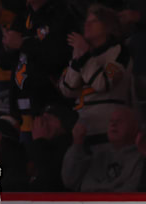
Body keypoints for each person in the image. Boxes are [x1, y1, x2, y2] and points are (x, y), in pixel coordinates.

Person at [0, 0, 78, 141]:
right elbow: (4, 62)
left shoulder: (62, 15)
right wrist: (8, 47)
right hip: (22, 112)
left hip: (50, 112)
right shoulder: (22, 18)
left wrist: (23, 44)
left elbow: (58, 57)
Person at [58, 4, 133, 149]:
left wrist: (84, 56)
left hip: (109, 131)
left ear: (108, 26)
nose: (87, 24)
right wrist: (80, 56)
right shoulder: (83, 52)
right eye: (86, 21)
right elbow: (67, 89)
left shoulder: (120, 51)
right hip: (81, 131)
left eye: (94, 21)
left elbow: (103, 83)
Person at [61, 106, 143, 192]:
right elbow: (69, 181)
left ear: (135, 128)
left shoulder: (140, 158)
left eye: (120, 121)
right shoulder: (98, 155)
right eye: (111, 121)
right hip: (86, 203)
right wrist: (77, 144)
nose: (113, 124)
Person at [25, 103, 78, 191]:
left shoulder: (69, 147)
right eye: (43, 119)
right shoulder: (35, 146)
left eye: (49, 119)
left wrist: (40, 141)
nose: (44, 123)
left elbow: (50, 180)